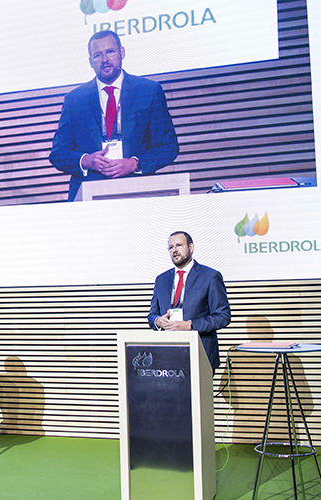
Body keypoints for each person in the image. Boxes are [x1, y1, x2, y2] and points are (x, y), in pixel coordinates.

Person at [49, 30, 179, 201]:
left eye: (110, 51)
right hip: (89, 195)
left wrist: (134, 163)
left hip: (139, 191)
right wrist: (86, 160)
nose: (105, 60)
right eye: (97, 55)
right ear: (90, 62)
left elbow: (169, 147)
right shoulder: (75, 100)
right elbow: (58, 153)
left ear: (122, 52)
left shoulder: (148, 91)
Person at [147, 231, 231, 372]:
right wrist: (158, 322)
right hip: (166, 356)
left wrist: (190, 325)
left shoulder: (210, 276)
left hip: (200, 353)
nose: (174, 250)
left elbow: (223, 317)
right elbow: (152, 315)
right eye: (171, 247)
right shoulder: (161, 280)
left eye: (179, 245)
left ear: (191, 247)